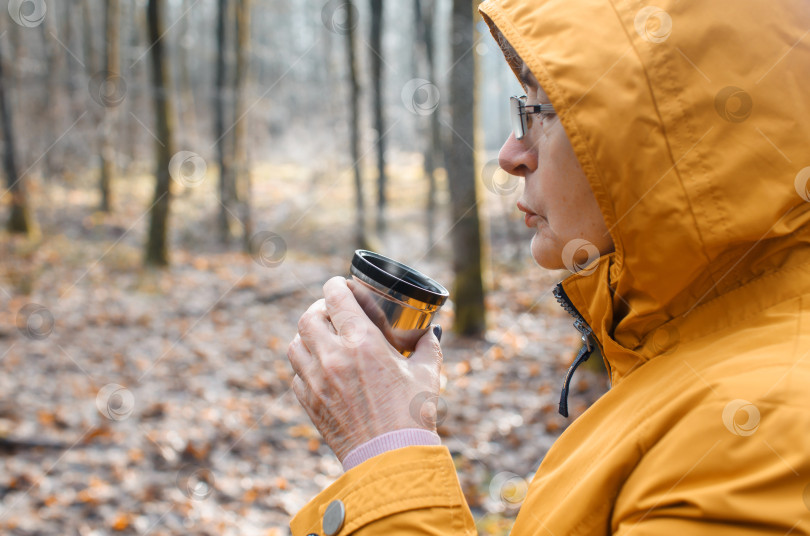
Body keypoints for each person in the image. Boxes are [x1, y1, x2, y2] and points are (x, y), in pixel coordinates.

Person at [287, 0, 810, 533]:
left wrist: (386, 450)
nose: (511, 154)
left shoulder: (758, 431)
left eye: (547, 110)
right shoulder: (696, 362)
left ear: (676, 136)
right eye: (524, 107)